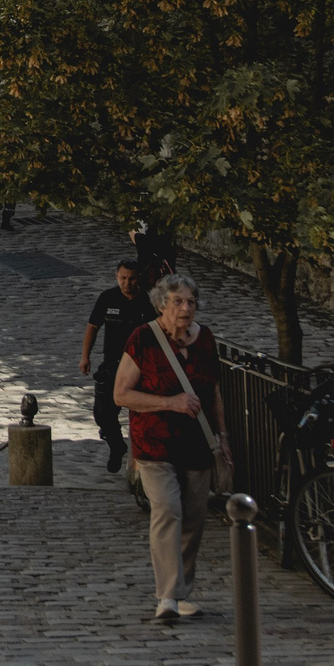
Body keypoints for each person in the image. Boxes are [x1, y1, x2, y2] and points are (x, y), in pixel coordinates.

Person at [114, 274, 230, 623]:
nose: (185, 308)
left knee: (194, 518)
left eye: (191, 302)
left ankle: (181, 592)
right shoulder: (143, 339)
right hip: (155, 443)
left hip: (197, 444)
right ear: (162, 304)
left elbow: (213, 392)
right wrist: (170, 402)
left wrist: (223, 438)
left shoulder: (205, 339)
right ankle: (167, 597)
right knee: (167, 510)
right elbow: (121, 394)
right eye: (178, 301)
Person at [78, 259, 155, 474]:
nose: (127, 283)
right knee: (103, 413)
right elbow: (93, 326)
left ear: (138, 278)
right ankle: (116, 445)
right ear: (116, 277)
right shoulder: (108, 298)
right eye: (123, 278)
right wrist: (85, 356)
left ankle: (143, 460)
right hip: (113, 363)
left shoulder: (149, 300)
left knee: (144, 412)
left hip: (141, 366)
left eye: (131, 279)